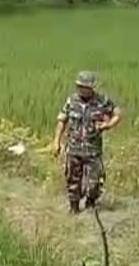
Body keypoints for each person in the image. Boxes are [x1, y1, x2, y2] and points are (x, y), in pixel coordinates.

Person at [51, 71, 122, 213]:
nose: (82, 89)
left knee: (95, 182)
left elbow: (117, 113)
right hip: (74, 149)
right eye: (80, 86)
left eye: (85, 87)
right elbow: (62, 121)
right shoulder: (71, 101)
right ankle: (74, 208)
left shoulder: (102, 101)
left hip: (93, 150)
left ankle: (91, 203)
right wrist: (56, 142)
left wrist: (108, 125)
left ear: (92, 88)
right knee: (72, 180)